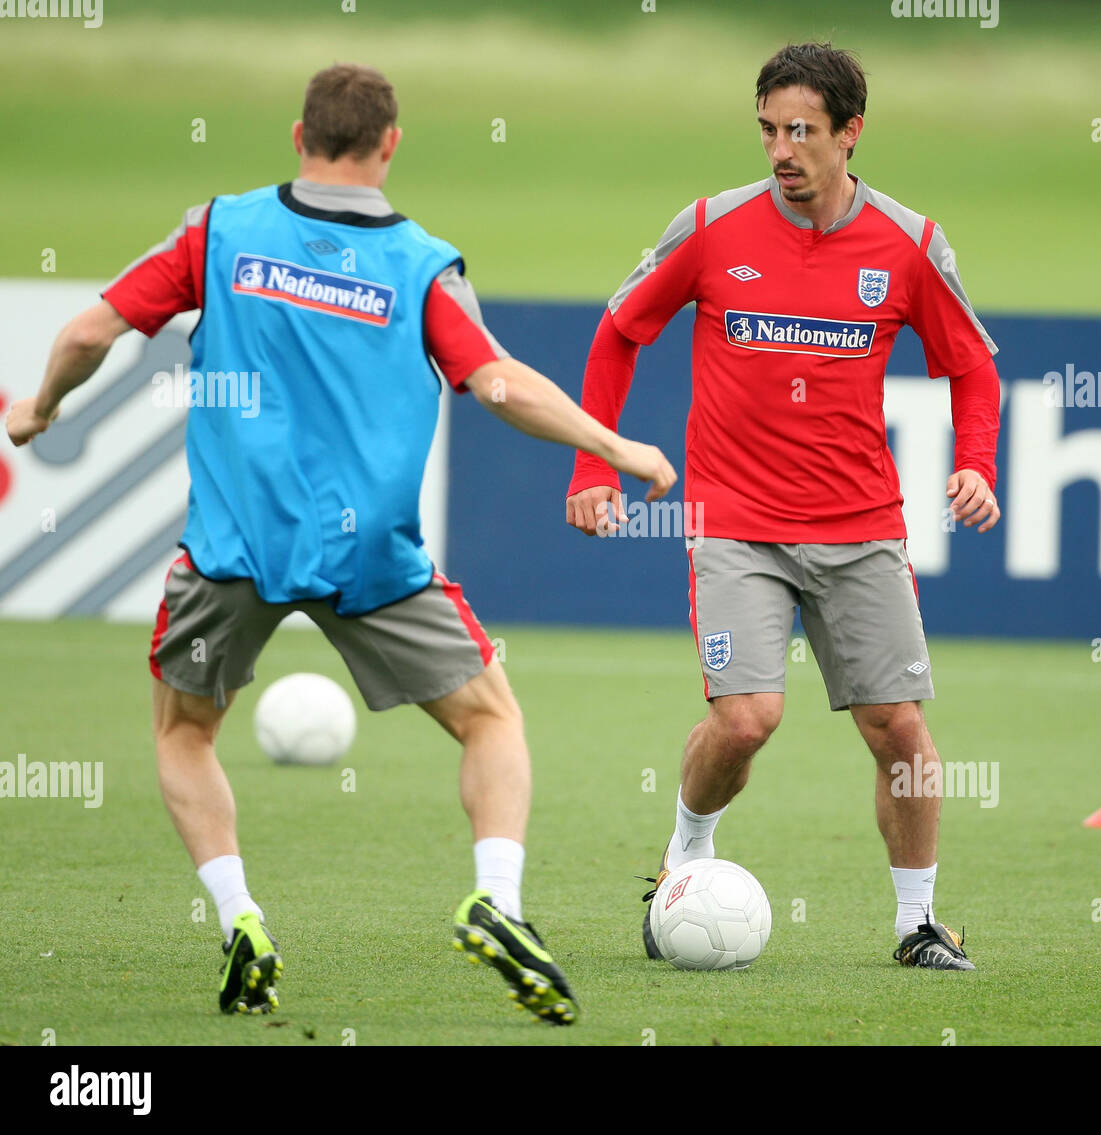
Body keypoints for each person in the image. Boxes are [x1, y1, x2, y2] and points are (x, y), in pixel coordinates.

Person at [7, 62, 676, 1024]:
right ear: (390, 144)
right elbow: (496, 384)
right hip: (372, 557)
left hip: (233, 549)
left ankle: (241, 917)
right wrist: (613, 444)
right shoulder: (421, 264)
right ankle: (499, 899)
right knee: (491, 718)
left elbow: (88, 329)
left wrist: (43, 407)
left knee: (185, 733)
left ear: (298, 136)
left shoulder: (219, 230)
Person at [565, 43, 1001, 970]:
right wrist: (591, 467)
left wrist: (976, 464)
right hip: (735, 522)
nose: (781, 150)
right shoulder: (711, 227)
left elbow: (971, 366)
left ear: (851, 133)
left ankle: (917, 923)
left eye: (802, 130)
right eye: (768, 129)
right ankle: (685, 858)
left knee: (904, 732)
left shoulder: (909, 243)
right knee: (748, 716)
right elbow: (618, 331)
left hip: (861, 526)